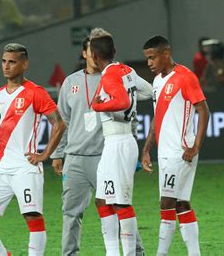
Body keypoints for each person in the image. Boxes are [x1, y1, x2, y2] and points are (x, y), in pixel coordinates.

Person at [51, 36, 150, 256]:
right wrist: (58, 153)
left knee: (119, 204)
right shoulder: (71, 82)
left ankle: (136, 251)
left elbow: (128, 109)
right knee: (73, 211)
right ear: (85, 53)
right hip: (76, 157)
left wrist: (134, 146)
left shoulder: (115, 75)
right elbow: (61, 121)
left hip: (107, 150)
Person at [0, 43, 66, 256]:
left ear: (24, 64)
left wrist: (45, 155)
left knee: (32, 217)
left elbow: (59, 123)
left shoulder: (36, 92)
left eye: (12, 62)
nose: (6, 66)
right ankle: (2, 253)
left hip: (25, 167)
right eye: (4, 61)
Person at [142, 35, 210, 256]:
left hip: (181, 153)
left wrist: (195, 147)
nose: (149, 63)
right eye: (147, 59)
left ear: (166, 54)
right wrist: (147, 147)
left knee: (166, 203)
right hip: (165, 152)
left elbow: (203, 110)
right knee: (181, 204)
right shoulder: (157, 81)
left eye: (152, 58)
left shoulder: (185, 77)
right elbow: (157, 116)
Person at [89, 28, 143, 256]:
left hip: (119, 142)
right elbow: (150, 92)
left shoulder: (110, 75)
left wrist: (99, 105)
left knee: (120, 202)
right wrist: (132, 100)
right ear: (114, 51)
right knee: (102, 200)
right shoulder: (126, 71)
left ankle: (129, 253)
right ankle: (112, 252)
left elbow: (120, 101)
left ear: (93, 55)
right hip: (115, 143)